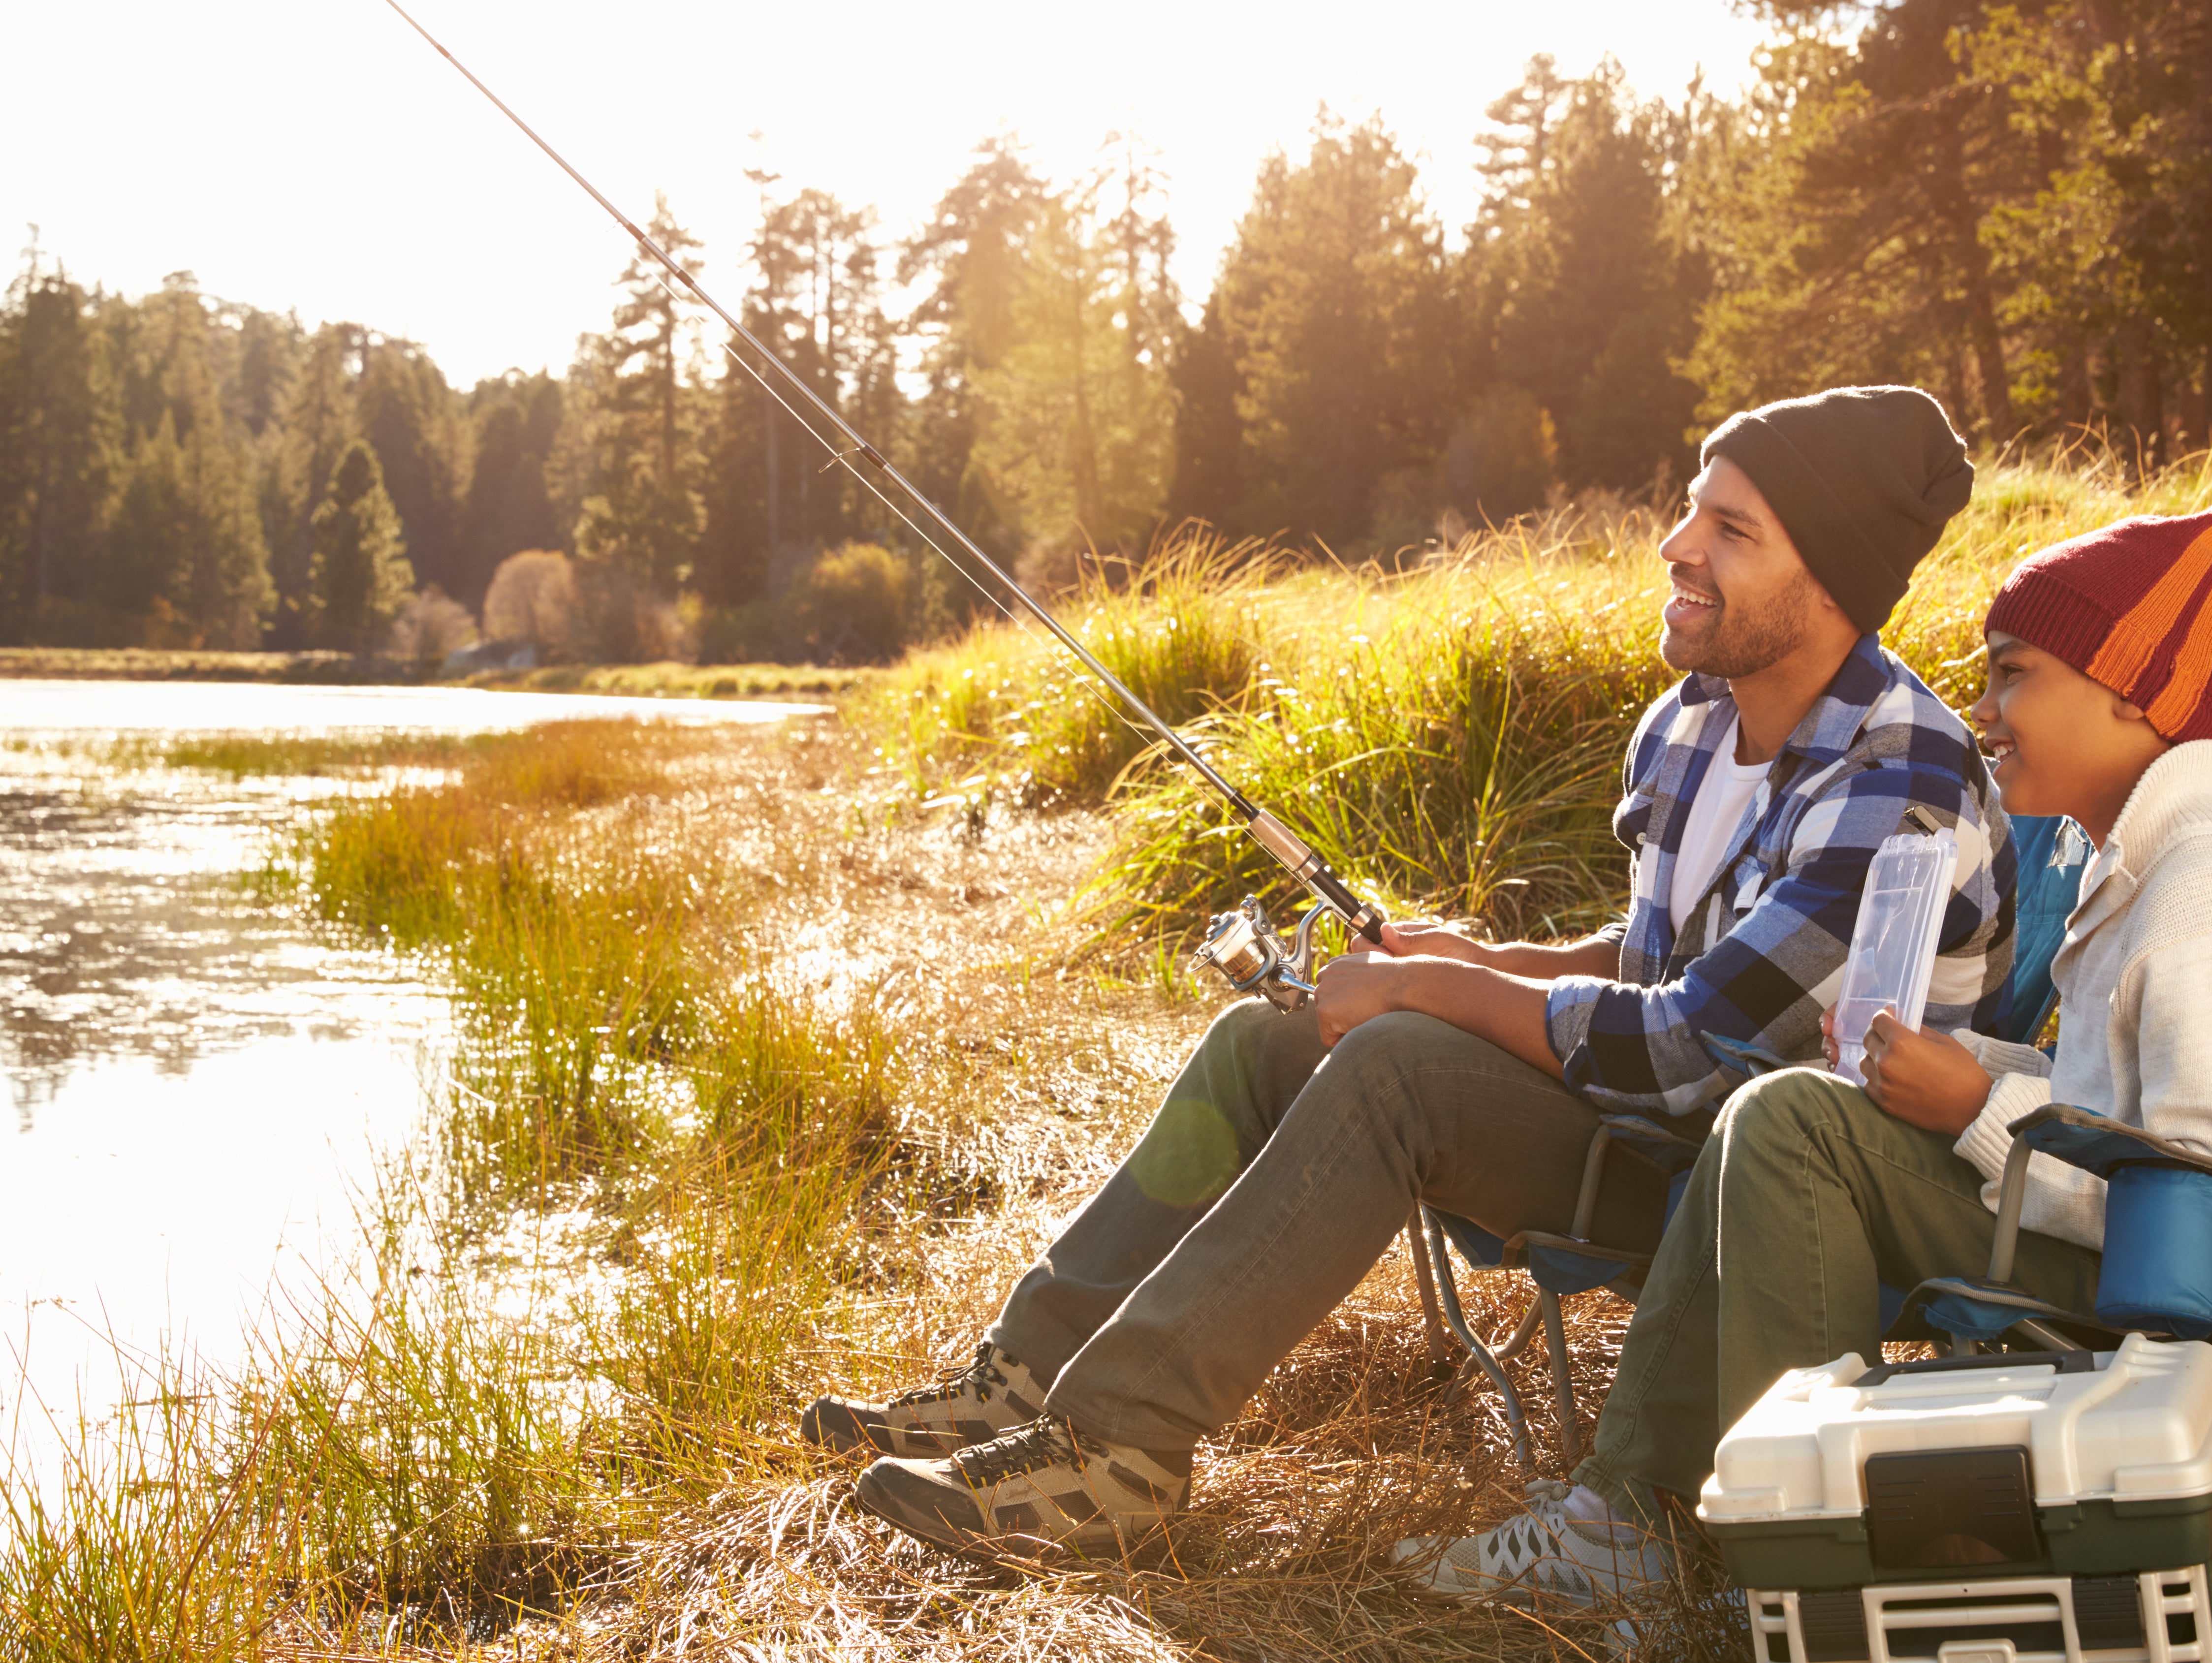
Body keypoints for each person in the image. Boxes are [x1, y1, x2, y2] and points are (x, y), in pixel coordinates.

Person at [806, 386, 2018, 1561]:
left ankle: (1110, 1455)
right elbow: (1647, 963)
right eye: (1693, 508)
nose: (1675, 543)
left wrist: (1430, 995)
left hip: (1741, 1198)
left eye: (1729, 530)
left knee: (1396, 1064)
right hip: (1642, 1130)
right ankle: (1017, 1381)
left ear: (1830, 583)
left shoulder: (1897, 771)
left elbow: (1684, 1050)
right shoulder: (1693, 722)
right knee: (1265, 1042)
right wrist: (1469, 957)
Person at [1407, 504, 2212, 1605]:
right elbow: (2107, 1107)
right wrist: (1962, 1064)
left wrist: (1970, 1103)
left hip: (2210, 1291)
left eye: (2013, 675)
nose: (1981, 709)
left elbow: (2208, 1198)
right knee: (1784, 1110)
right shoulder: (2132, 859)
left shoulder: (2204, 898)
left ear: (2129, 693)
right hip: (2125, 1231)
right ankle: (1636, 1512)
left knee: (1791, 1127)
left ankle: (1788, 1556)